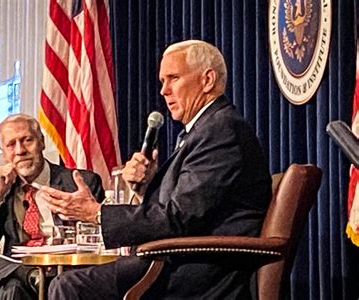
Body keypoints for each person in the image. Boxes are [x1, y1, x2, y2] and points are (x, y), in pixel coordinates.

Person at [41, 40, 272, 299]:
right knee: (69, 281)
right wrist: (145, 189)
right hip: (180, 260)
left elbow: (178, 218)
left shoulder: (220, 131)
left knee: (69, 286)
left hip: (201, 271)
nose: (164, 91)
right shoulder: (205, 130)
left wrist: (96, 213)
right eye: (162, 81)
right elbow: (189, 209)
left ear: (207, 80)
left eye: (173, 78)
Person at [0, 113, 105, 299]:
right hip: (18, 276)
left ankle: (22, 275)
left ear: (42, 142)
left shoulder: (79, 182)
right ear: (3, 153)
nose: (20, 150)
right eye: (11, 145)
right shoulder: (0, 185)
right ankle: (25, 274)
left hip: (61, 278)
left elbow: (98, 242)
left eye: (27, 140)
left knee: (11, 289)